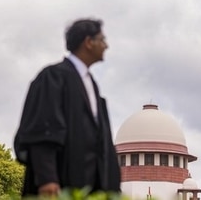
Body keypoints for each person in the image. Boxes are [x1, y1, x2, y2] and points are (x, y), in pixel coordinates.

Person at [14, 18, 121, 197]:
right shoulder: (53, 77)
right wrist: (47, 177)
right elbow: (43, 129)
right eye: (102, 39)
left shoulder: (91, 86)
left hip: (91, 186)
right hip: (60, 184)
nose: (106, 45)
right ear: (88, 42)